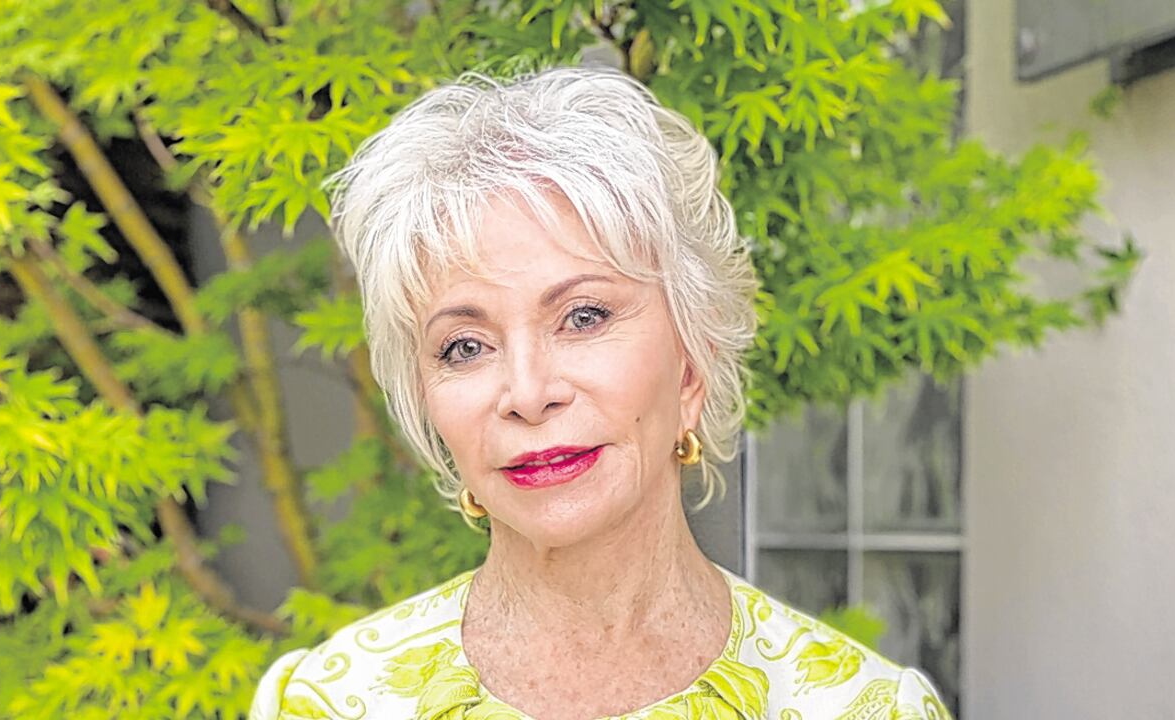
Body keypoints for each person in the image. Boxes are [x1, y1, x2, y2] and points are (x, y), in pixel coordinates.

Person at [249, 65, 954, 720]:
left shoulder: (861, 706)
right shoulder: (330, 701)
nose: (528, 393)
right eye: (465, 346)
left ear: (691, 363)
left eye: (583, 317)